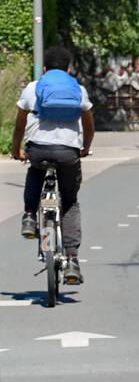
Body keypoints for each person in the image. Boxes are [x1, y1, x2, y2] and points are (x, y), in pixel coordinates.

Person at [12, 46, 94, 285]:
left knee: (35, 170)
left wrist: (16, 147)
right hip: (69, 153)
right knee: (69, 201)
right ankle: (71, 259)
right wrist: (85, 147)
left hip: (38, 149)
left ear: (44, 69)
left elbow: (20, 122)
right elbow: (89, 123)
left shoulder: (33, 88)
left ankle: (29, 216)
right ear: (68, 69)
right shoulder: (78, 90)